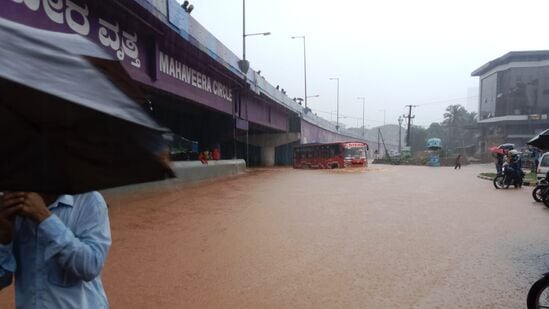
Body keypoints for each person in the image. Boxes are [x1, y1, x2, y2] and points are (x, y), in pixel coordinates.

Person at [0, 191, 111, 308]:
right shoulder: (13, 205)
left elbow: (90, 266)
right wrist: (3, 240)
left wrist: (44, 217)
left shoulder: (89, 199)